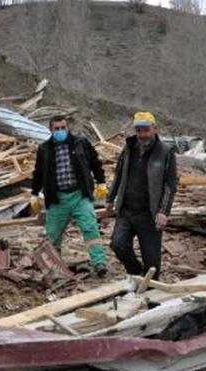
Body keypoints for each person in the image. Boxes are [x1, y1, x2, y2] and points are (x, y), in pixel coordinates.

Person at [31, 115, 109, 276]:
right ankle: (55, 266)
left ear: (68, 128)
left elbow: (95, 162)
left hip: (79, 195)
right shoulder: (44, 149)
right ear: (51, 130)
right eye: (56, 129)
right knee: (53, 235)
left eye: (63, 128)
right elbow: (38, 173)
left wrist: (101, 182)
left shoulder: (80, 143)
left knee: (90, 228)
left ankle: (99, 262)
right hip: (57, 198)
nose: (60, 131)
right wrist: (34, 193)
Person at [106, 112, 177, 280]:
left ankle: (151, 293)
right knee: (118, 244)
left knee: (152, 263)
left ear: (154, 129)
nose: (142, 135)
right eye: (139, 131)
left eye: (146, 130)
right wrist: (110, 198)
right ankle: (135, 273)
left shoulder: (165, 152)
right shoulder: (129, 148)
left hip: (149, 215)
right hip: (127, 210)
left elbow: (170, 185)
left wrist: (163, 211)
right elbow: (119, 175)